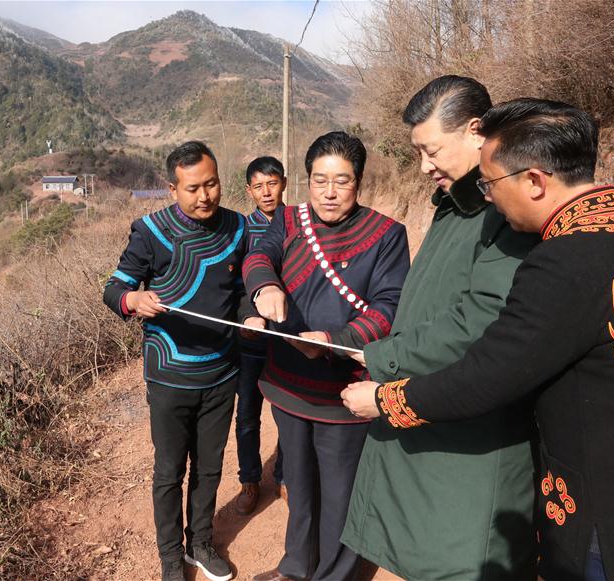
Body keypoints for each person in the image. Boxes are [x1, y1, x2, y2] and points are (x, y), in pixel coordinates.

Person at [341, 98, 614, 581]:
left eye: (491, 184)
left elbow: (491, 375)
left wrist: (386, 398)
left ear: (535, 181)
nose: (489, 198)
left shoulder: (561, 261)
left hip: (606, 510)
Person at [340, 76, 540, 580]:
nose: (425, 166)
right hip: (431, 396)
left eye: (431, 150)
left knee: (464, 556)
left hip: (472, 430)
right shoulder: (458, 205)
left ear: (477, 132)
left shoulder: (507, 209)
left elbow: (484, 318)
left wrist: (385, 358)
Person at [244, 131, 410, 581]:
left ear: (359, 183)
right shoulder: (290, 219)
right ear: (307, 181)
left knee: (340, 491)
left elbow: (390, 305)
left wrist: (336, 337)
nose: (330, 193)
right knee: (298, 481)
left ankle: (336, 575)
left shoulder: (387, 235)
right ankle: (296, 567)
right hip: (288, 381)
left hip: (344, 390)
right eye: (320, 181)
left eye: (342, 181)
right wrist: (266, 285)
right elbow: (260, 253)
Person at [103, 141, 248, 581]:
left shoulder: (238, 228)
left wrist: (253, 314)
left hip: (222, 372)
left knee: (210, 465)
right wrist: (133, 298)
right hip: (169, 376)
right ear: (172, 188)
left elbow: (240, 292)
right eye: (192, 188)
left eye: (211, 184)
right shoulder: (149, 232)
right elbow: (114, 288)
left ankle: (200, 543)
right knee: (170, 470)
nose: (204, 196)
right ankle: (170, 555)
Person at [235, 156, 286, 515]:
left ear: (283, 182)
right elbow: (235, 286)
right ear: (249, 190)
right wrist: (249, 318)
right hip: (252, 336)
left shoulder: (299, 221)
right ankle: (250, 480)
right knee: (248, 413)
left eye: (272, 183)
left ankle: (285, 476)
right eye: (259, 186)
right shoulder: (241, 230)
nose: (266, 192)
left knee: (287, 410)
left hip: (288, 334)